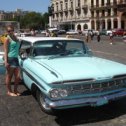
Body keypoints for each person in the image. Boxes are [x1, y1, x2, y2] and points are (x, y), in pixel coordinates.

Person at [3, 25, 21, 96]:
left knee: (17, 77)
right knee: (9, 76)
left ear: (13, 30)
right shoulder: (7, 39)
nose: (10, 32)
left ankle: (15, 90)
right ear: (7, 32)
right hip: (10, 59)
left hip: (16, 58)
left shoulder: (15, 38)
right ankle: (9, 91)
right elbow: (5, 50)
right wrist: (6, 61)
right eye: (8, 31)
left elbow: (17, 48)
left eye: (11, 30)